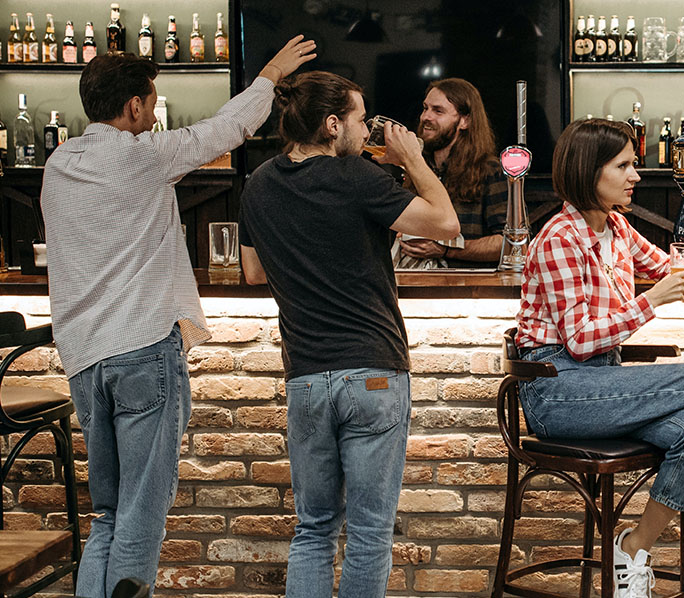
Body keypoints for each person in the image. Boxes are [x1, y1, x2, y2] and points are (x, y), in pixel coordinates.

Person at [39, 38, 314, 598]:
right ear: (136, 107)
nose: (155, 111)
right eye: (153, 101)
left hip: (85, 361)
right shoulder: (145, 156)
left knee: (109, 515)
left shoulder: (58, 163)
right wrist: (270, 72)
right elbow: (227, 128)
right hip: (142, 350)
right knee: (141, 516)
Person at [515, 119, 684, 598]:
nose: (636, 176)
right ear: (589, 171)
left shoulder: (615, 227)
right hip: (557, 390)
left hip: (603, 383)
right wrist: (656, 299)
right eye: (623, 165)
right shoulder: (559, 238)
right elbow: (580, 341)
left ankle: (634, 546)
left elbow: (669, 264)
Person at [237, 71, 458, 598]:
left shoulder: (259, 184)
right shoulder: (356, 175)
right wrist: (413, 159)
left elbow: (251, 272)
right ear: (332, 125)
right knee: (367, 532)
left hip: (306, 380)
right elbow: (446, 224)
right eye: (360, 120)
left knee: (313, 529)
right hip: (374, 374)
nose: (366, 132)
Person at [396, 77, 507, 268]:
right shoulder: (418, 166)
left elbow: (508, 243)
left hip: (467, 289)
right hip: (414, 287)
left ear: (465, 121)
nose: (425, 117)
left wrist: (446, 250)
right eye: (425, 108)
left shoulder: (490, 170)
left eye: (438, 111)